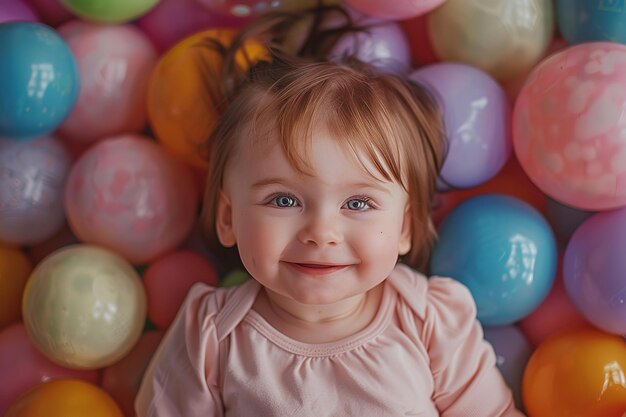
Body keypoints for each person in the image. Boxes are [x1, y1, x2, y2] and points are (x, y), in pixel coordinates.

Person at [135, 7, 524, 417]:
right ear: (228, 218)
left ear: (405, 225)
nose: (321, 233)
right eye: (284, 200)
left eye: (358, 203)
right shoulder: (212, 335)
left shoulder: (428, 320)